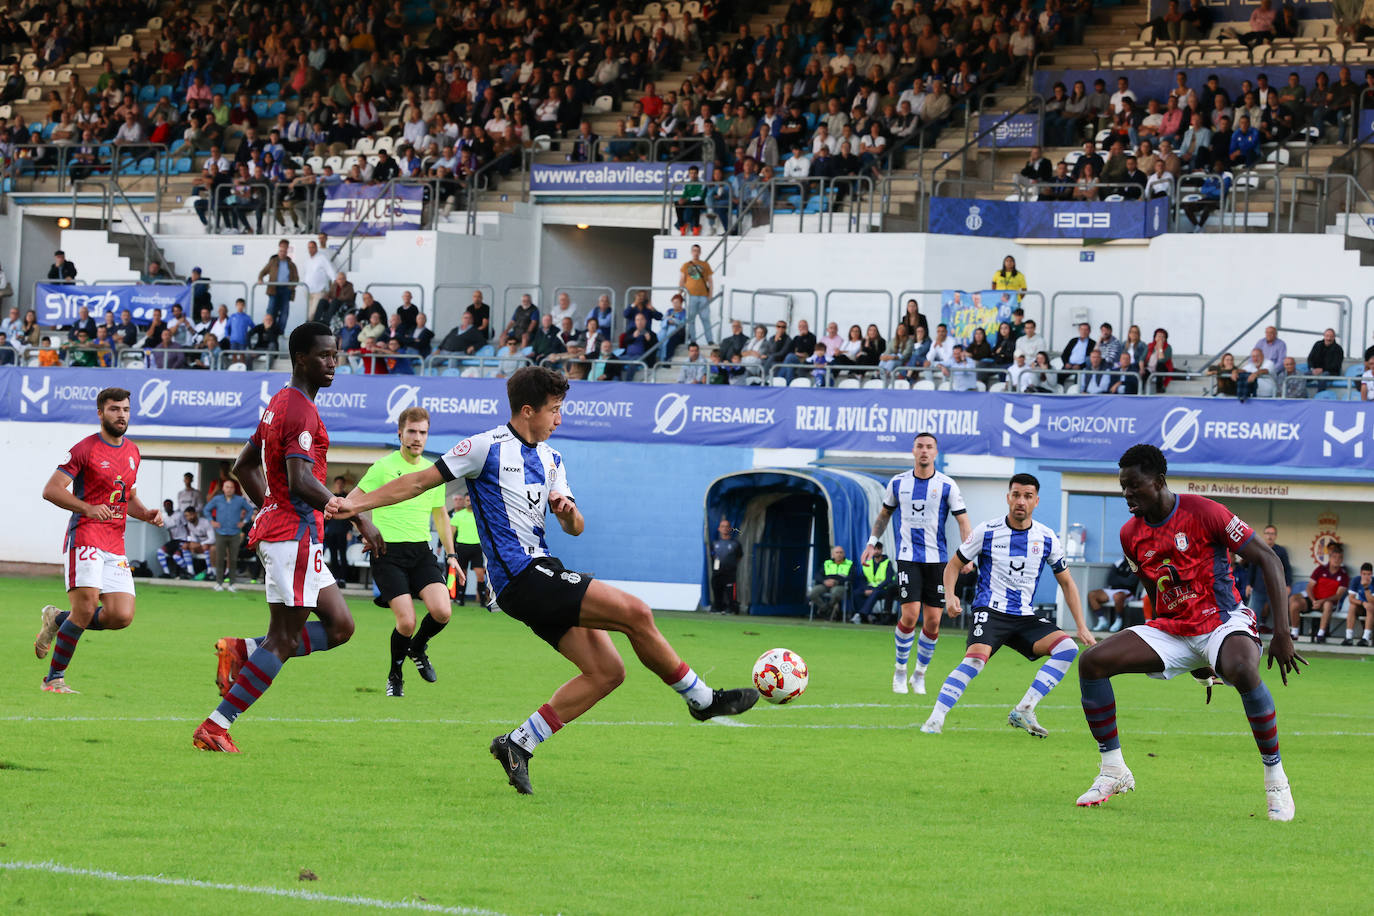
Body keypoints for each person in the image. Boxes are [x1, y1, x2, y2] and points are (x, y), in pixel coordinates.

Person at [325, 367, 759, 793]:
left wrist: (569, 514)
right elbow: (417, 482)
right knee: (636, 612)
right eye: (554, 409)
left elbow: (576, 527)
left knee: (607, 671)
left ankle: (518, 744)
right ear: (527, 410)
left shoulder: (553, 458)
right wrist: (352, 505)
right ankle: (703, 700)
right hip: (522, 577)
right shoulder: (484, 447)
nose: (560, 418)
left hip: (542, 571)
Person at [1075, 444, 1303, 821]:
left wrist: (1282, 632)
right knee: (1092, 662)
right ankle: (1113, 771)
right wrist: (1187, 655)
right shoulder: (1130, 534)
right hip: (1173, 628)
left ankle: (1276, 781)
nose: (1127, 494)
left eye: (1135, 486)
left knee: (1243, 671)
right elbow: (1153, 590)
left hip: (1221, 621)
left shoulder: (1206, 511)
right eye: (1123, 487)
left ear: (1159, 481)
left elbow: (1269, 559)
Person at [192, 322, 382, 753]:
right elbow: (299, 480)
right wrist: (356, 516)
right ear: (300, 359)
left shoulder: (279, 403)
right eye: (324, 356)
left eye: (336, 354)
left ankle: (242, 649)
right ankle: (216, 726)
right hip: (292, 535)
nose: (333, 362)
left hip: (290, 533)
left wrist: (268, 506)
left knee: (340, 626)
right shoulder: (300, 411)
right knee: (284, 640)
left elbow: (243, 466)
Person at [921, 473, 1093, 736]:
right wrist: (950, 596)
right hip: (990, 612)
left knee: (1067, 648)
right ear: (1008, 498)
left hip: (1025, 617)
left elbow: (1068, 583)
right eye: (1016, 495)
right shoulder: (987, 531)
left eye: (1027, 496)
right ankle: (935, 719)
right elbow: (953, 565)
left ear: (1036, 501)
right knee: (976, 661)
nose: (1020, 501)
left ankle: (1025, 708)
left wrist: (1081, 626)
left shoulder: (1047, 538)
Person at [32, 388, 165, 693]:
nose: (122, 415)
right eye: (115, 409)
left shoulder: (132, 452)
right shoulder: (85, 449)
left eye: (126, 410)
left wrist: (145, 513)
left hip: (115, 542)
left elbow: (126, 496)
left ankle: (56, 619)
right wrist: (87, 507)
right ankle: (54, 679)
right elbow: (52, 489)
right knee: (86, 608)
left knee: (121, 615)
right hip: (86, 536)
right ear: (100, 413)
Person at [349, 406, 458, 696]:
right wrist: (366, 530)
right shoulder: (383, 467)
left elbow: (441, 516)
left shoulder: (433, 470)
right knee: (406, 621)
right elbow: (351, 503)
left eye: (423, 432)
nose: (417, 438)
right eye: (411, 431)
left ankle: (419, 648)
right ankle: (395, 673)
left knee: (442, 611)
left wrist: (451, 554)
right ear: (400, 433)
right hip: (388, 553)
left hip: (421, 553)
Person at [864, 433, 973, 695]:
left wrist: (967, 554)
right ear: (913, 450)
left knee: (934, 621)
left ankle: (919, 674)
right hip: (908, 557)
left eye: (929, 447)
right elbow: (884, 514)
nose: (924, 451)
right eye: (920, 446)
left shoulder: (947, 485)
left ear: (936, 452)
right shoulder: (898, 482)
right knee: (910, 615)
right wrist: (872, 541)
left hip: (938, 561)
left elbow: (962, 520)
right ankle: (900, 671)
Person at [1289, 542, 1349, 645]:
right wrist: (1313, 600)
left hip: (1327, 603)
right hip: (1314, 599)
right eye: (1334, 557)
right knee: (1294, 603)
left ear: (1342, 560)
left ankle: (1320, 634)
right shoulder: (1320, 569)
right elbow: (1309, 587)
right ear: (1329, 558)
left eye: (1339, 558)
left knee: (1328, 604)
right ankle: (1294, 632)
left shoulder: (1343, 575)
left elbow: (1338, 595)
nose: (1336, 560)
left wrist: (1322, 601)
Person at [204, 478, 252, 591]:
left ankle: (232, 584)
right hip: (220, 532)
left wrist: (244, 522)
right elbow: (206, 509)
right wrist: (212, 521)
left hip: (235, 533)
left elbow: (250, 510)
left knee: (233, 558)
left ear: (234, 489)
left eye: (231, 487)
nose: (229, 489)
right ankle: (219, 583)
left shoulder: (240, 500)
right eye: (227, 487)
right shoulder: (217, 499)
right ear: (223, 488)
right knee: (220, 558)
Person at [1247, 525, 1292, 632]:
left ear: (1275, 536)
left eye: (1272, 534)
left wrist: (1288, 585)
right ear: (1264, 535)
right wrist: (1249, 584)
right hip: (1258, 589)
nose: (1269, 536)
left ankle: (1280, 639)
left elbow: (1287, 569)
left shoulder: (1281, 551)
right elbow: (1251, 568)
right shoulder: (1257, 549)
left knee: (1279, 617)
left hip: (1276, 589)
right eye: (1267, 533)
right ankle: (1251, 637)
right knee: (1252, 615)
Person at [449, 494, 489, 607]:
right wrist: (451, 549)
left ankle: (482, 601)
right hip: (462, 547)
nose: (469, 502)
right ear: (465, 502)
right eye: (467, 500)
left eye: (471, 500)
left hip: (476, 547)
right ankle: (460, 600)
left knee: (480, 575)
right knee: (462, 574)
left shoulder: (479, 514)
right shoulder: (458, 515)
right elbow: (451, 533)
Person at [1087, 557, 1139, 633]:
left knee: (1117, 596)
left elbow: (1131, 582)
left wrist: (1117, 579)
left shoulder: (1136, 563)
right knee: (1092, 595)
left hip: (1128, 592)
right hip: (1113, 590)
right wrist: (1123, 580)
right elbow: (1110, 580)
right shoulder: (1118, 563)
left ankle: (1119, 619)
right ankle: (1102, 620)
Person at [257, 239, 299, 327]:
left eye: (284, 251)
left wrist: (291, 287)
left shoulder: (291, 264)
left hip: (286, 289)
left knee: (284, 311)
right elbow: (263, 272)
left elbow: (296, 278)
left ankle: (280, 331)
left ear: (287, 251)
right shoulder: (273, 261)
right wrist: (260, 279)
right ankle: (269, 329)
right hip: (273, 289)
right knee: (271, 310)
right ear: (278, 250)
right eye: (281, 251)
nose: (282, 253)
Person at [679, 243, 713, 346]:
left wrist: (710, 295)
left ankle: (710, 340)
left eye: (697, 251)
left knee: (705, 318)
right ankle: (693, 340)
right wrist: (679, 294)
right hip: (690, 296)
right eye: (694, 250)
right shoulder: (686, 265)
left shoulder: (705, 265)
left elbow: (710, 281)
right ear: (691, 252)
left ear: (700, 252)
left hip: (703, 296)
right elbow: (682, 280)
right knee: (691, 320)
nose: (696, 253)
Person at [808, 545, 854, 620]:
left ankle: (828, 608)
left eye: (841, 552)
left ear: (844, 554)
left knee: (836, 593)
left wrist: (837, 582)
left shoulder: (849, 564)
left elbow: (851, 577)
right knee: (812, 593)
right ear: (833, 554)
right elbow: (818, 575)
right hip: (826, 584)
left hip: (840, 585)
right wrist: (824, 581)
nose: (839, 554)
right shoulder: (827, 563)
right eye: (837, 552)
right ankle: (825, 609)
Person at [855, 541, 895, 624]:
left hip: (883, 589)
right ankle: (861, 613)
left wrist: (875, 589)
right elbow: (862, 578)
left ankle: (863, 614)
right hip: (870, 588)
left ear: (881, 550)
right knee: (857, 593)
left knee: (875, 593)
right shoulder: (867, 562)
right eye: (874, 549)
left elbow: (888, 579)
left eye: (878, 549)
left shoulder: (887, 563)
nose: (876, 551)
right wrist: (865, 589)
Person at [1341, 562, 1374, 647]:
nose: (1366, 576)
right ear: (1360, 573)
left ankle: (1365, 638)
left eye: (1369, 574)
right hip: (1362, 606)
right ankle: (1348, 637)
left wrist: (1366, 587)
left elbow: (1372, 601)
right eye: (1364, 574)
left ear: (1372, 574)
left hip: (1371, 608)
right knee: (1352, 606)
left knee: (1370, 607)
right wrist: (1363, 603)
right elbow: (1351, 598)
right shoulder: (1356, 580)